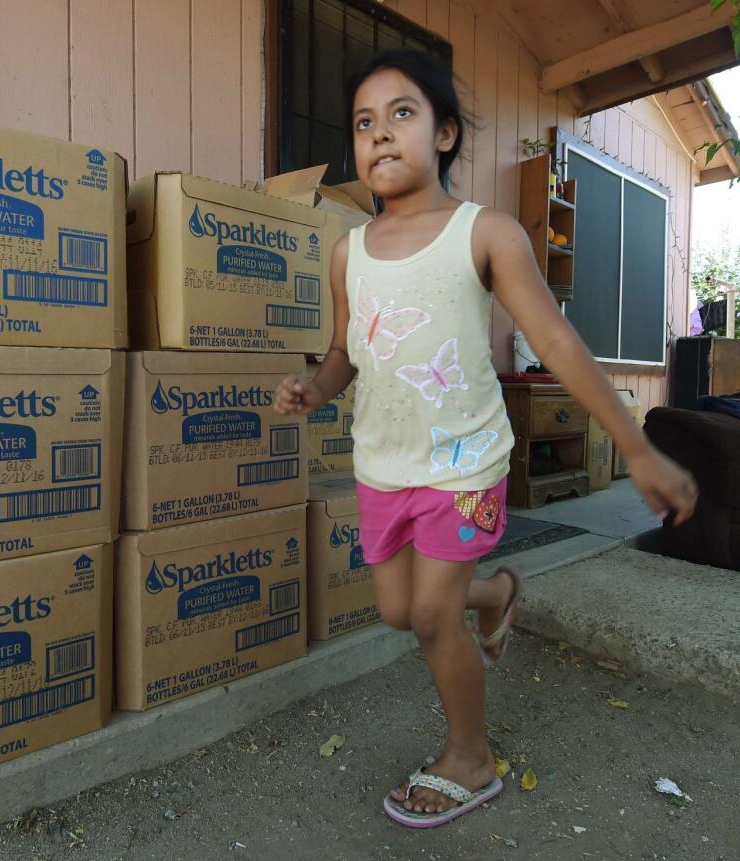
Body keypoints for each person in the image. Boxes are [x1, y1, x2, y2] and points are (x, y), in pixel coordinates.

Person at [273, 49, 698, 829]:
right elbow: (346, 353)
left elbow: (561, 343)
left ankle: (470, 756)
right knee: (401, 608)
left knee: (433, 618)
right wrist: (316, 386)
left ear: (445, 134)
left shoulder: (486, 232)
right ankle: (498, 592)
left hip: (466, 461)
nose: (380, 134)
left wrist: (634, 446)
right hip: (383, 466)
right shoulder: (347, 252)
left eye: (402, 113)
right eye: (364, 122)